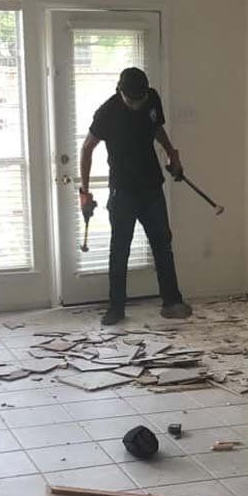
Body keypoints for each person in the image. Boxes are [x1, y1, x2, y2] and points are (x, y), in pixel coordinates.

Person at [79, 66, 192, 326]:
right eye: (131, 100)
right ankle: (116, 308)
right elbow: (87, 149)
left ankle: (172, 302)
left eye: (140, 99)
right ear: (120, 92)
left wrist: (171, 153)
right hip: (123, 192)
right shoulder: (106, 113)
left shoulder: (151, 98)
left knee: (163, 245)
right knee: (120, 250)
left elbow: (156, 128)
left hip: (152, 187)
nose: (136, 104)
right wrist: (85, 192)